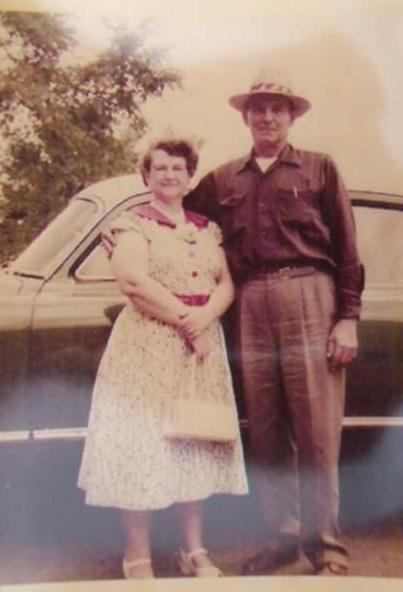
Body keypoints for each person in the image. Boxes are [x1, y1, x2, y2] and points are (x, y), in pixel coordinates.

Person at [180, 71, 364, 576]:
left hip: (310, 293)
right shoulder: (223, 179)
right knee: (265, 430)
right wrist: (128, 230)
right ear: (245, 118)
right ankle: (282, 538)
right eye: (257, 109)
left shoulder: (320, 168)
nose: (266, 117)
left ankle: (326, 547)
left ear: (291, 116)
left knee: (317, 432)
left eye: (277, 108)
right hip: (249, 300)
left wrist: (347, 318)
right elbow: (177, 213)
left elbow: (348, 251)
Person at [78, 138, 248, 579]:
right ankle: (137, 555)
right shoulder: (132, 225)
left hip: (198, 350)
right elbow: (133, 282)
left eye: (178, 167)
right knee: (143, 445)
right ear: (147, 176)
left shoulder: (207, 228)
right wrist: (189, 321)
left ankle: (193, 550)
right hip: (148, 345)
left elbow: (227, 283)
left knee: (193, 440)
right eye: (160, 168)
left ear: (190, 177)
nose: (170, 174)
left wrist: (205, 317)